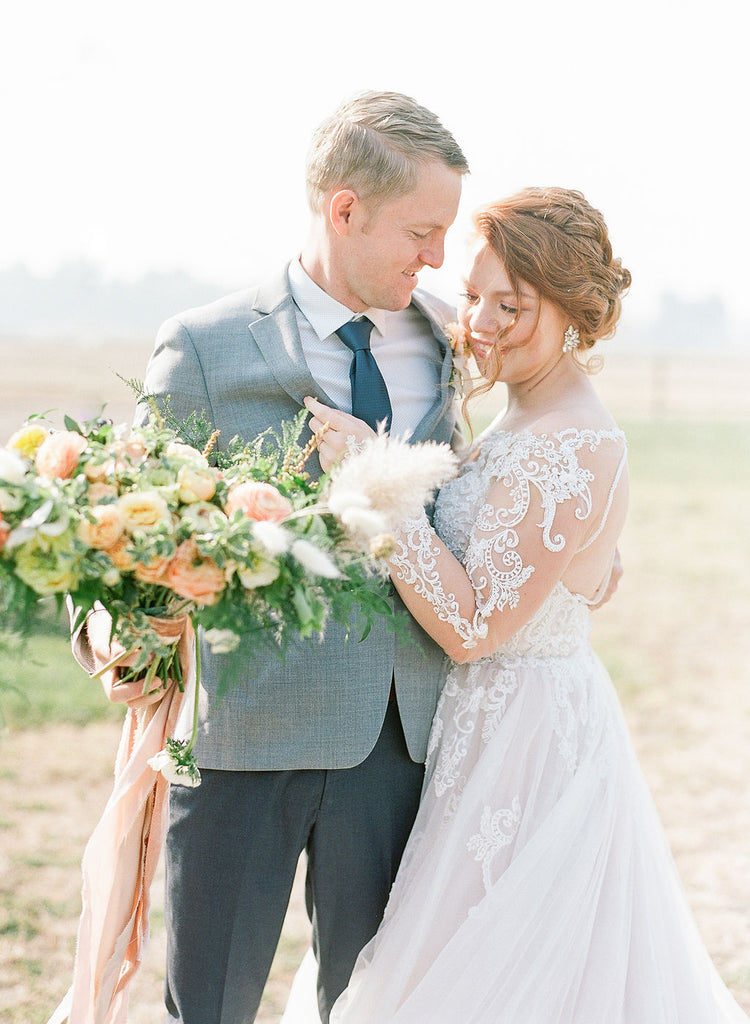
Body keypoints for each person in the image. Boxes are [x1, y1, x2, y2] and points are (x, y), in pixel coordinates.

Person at [300, 187, 749, 1022]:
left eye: (514, 305)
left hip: (528, 743)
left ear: (575, 312)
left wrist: (378, 478)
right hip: (481, 727)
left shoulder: (572, 441)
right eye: (476, 297)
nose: (484, 323)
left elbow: (475, 627)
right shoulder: (524, 410)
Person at [82, 91, 469, 1023]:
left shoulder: (451, 339)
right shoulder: (207, 348)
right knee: (208, 1006)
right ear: (345, 210)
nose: (438, 257)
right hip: (243, 736)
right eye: (422, 231)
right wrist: (116, 636)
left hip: (397, 739)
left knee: (373, 1003)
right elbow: (126, 527)